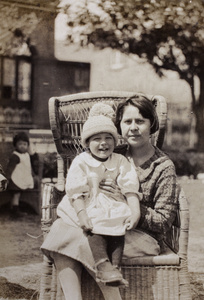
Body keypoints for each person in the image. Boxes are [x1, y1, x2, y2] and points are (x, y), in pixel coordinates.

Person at [41, 94, 179, 300]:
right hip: (102, 224)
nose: (133, 127)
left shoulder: (163, 167)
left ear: (152, 125)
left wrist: (130, 205)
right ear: (119, 127)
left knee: (72, 235)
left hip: (139, 236)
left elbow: (164, 222)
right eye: (127, 121)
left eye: (140, 121)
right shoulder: (112, 152)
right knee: (63, 227)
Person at [6, 132, 39, 217]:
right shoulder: (15, 156)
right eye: (20, 144)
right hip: (14, 180)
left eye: (25, 144)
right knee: (16, 194)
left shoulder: (26, 154)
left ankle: (14, 208)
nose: (22, 146)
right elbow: (10, 168)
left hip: (22, 178)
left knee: (18, 193)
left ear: (28, 145)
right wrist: (7, 178)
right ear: (15, 145)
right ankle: (15, 210)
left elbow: (28, 166)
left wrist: (33, 174)